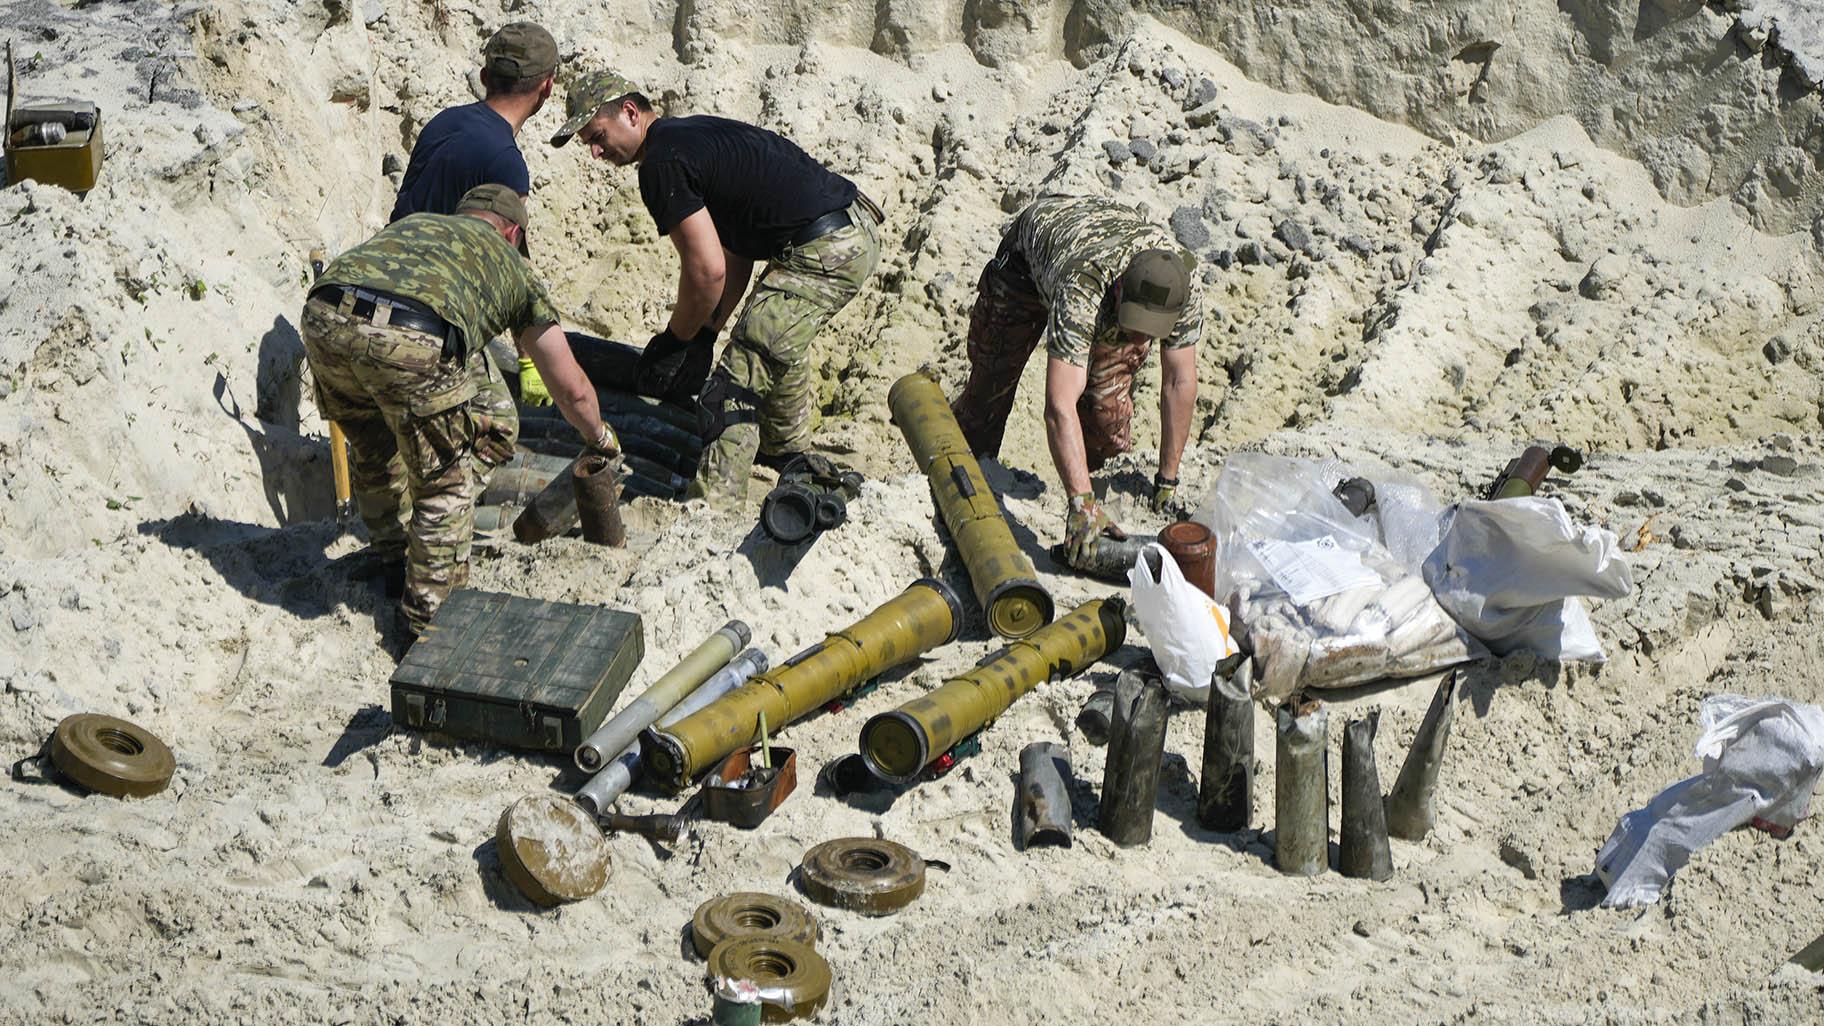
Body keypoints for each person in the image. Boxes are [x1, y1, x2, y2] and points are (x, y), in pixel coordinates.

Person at [549, 70, 883, 505]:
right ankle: (786, 456)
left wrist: (674, 342)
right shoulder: (688, 137)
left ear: (630, 113)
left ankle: (712, 510)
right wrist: (706, 333)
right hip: (844, 232)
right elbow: (735, 254)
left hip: (825, 248)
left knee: (732, 388)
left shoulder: (661, 164)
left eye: (597, 136)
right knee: (771, 344)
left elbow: (706, 272)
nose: (596, 152)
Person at [304, 184, 618, 636]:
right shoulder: (512, 264)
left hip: (325, 316)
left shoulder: (416, 225)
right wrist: (600, 437)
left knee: (374, 450)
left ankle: (395, 559)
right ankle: (426, 622)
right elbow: (572, 391)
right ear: (512, 233)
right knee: (443, 481)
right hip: (412, 335)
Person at [949, 194, 1202, 565]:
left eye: (1150, 332)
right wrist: (1080, 504)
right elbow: (1058, 405)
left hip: (1106, 245)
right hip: (1030, 259)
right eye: (1133, 326)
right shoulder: (1084, 289)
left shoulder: (1182, 287)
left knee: (1106, 415)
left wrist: (1168, 479)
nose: (1138, 339)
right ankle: (958, 480)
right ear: (1119, 292)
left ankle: (1095, 491)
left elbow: (1179, 382)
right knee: (991, 385)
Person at [387, 21, 561, 411]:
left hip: (383, 287)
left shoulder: (444, 122)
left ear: (484, 76)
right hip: (430, 321)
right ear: (547, 87)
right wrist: (530, 360)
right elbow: (511, 272)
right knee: (495, 425)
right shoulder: (505, 162)